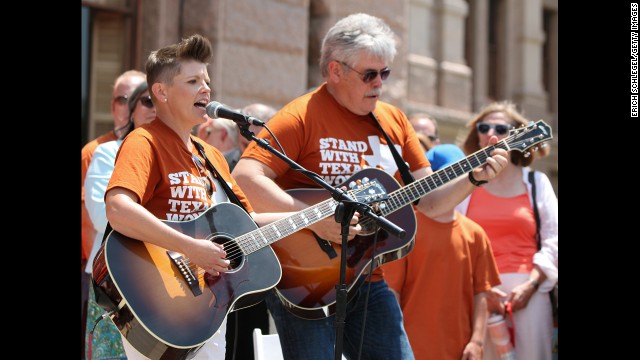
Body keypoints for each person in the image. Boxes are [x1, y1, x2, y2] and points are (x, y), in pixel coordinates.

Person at [231, 13, 508, 360]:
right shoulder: (300, 115)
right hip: (302, 281)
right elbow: (246, 177)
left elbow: (432, 203)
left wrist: (473, 178)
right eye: (369, 74)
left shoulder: (393, 121)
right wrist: (312, 219)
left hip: (368, 278)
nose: (379, 83)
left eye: (385, 73)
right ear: (335, 71)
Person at [102, 34, 298, 360]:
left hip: (206, 306)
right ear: (161, 92)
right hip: (159, 301)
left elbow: (248, 225)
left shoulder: (212, 156)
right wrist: (191, 248)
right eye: (193, 81)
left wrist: (317, 216)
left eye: (207, 80)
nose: (206, 89)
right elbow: (118, 209)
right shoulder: (144, 142)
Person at [455, 100, 558, 360]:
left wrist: (532, 285)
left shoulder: (536, 182)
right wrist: (482, 290)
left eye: (501, 128)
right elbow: (456, 243)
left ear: (516, 135)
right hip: (477, 296)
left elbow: (554, 239)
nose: (492, 134)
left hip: (530, 293)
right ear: (476, 135)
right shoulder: (466, 185)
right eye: (484, 127)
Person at [383, 143, 501, 360]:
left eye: (461, 174)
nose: (455, 182)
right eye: (446, 175)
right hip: (410, 350)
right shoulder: (405, 231)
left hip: (460, 350)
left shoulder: (475, 234)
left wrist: (476, 341)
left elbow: (481, 293)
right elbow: (392, 294)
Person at [84, 81, 156, 359]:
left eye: (161, 102)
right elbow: (104, 217)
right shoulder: (107, 152)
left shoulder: (185, 156)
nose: (155, 108)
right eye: (148, 101)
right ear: (132, 109)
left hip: (167, 281)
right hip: (112, 277)